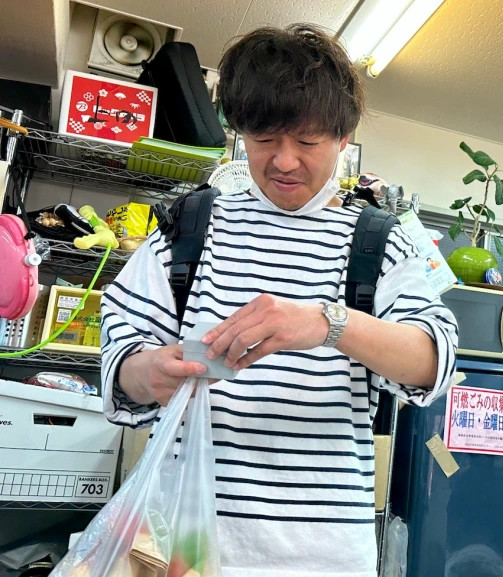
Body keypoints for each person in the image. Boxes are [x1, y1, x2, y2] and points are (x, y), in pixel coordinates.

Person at [100, 24, 458, 576]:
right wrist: (149, 372)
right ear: (239, 132)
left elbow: (434, 363)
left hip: (324, 558)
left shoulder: (380, 241)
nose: (284, 161)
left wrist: (329, 323)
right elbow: (121, 354)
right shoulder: (191, 225)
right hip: (183, 546)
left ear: (343, 138)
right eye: (264, 139)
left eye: (307, 142)